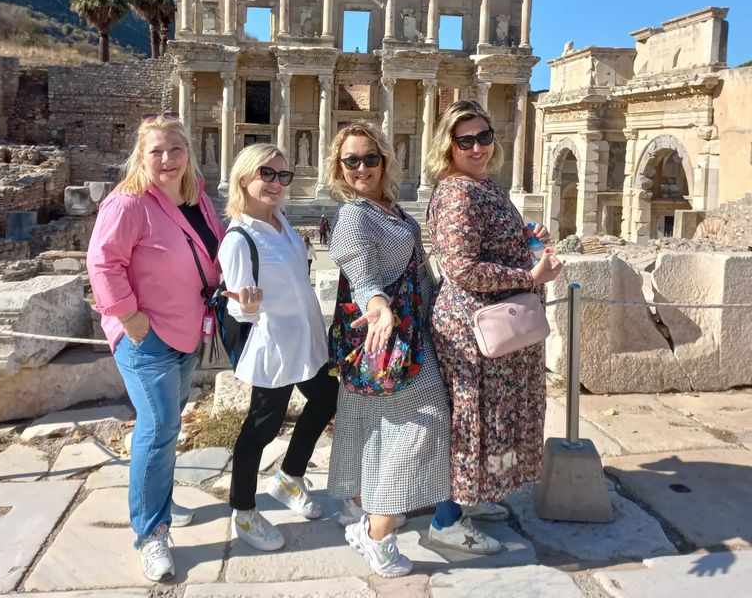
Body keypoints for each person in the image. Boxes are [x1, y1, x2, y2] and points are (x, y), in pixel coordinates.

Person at [325, 121, 498, 579]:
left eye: (369, 158)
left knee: (394, 434)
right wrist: (376, 304)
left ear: (385, 160)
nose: (361, 168)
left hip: (413, 336)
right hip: (388, 341)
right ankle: (377, 535)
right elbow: (358, 267)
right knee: (424, 429)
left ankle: (380, 516)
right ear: (339, 169)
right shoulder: (353, 215)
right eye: (351, 161)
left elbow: (420, 273)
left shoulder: (393, 210)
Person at [86, 113, 226, 582]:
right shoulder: (127, 203)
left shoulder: (197, 198)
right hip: (147, 337)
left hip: (189, 332)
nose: (167, 159)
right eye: (156, 151)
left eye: (175, 149)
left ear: (189, 152)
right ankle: (151, 532)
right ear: (141, 156)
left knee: (168, 425)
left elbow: (214, 250)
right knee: (159, 425)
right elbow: (103, 263)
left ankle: (157, 498)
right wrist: (129, 316)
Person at [425, 100, 562, 532]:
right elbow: (462, 267)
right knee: (469, 422)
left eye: (484, 136)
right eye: (465, 140)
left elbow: (487, 243)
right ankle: (447, 521)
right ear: (449, 146)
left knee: (492, 418)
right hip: (474, 330)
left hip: (498, 324)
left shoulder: (485, 186)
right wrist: (528, 273)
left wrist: (526, 235)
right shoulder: (458, 192)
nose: (478, 147)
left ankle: (474, 496)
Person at [219, 143, 338, 551]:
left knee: (327, 401)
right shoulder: (238, 239)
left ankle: (288, 477)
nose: (275, 183)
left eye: (282, 176)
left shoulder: (280, 221)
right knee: (261, 427)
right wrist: (248, 308)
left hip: (304, 340)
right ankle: (244, 511)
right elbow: (240, 312)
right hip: (273, 346)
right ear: (244, 178)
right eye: (266, 174)